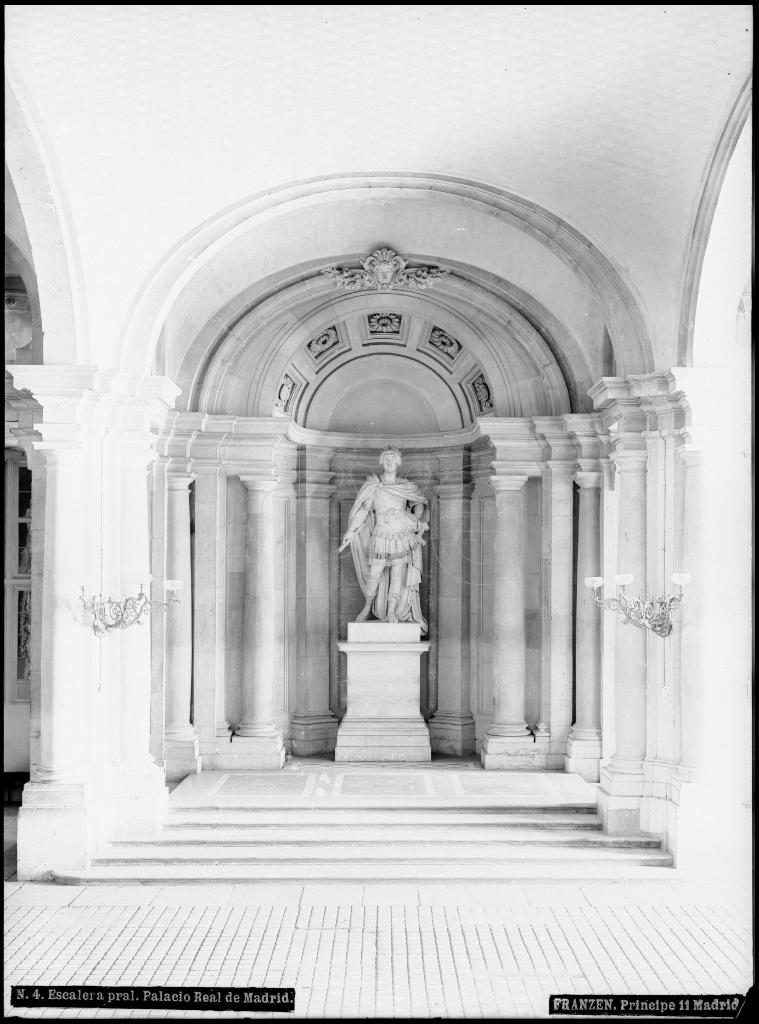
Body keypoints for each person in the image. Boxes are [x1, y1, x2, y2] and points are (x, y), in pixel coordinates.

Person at [339, 447, 429, 631]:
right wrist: (351, 530)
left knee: (397, 574)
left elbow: (419, 504)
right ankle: (367, 606)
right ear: (381, 462)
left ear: (398, 463)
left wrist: (412, 521)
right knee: (374, 575)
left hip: (401, 537)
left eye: (392, 459)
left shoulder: (406, 487)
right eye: (386, 459)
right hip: (380, 535)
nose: (389, 462)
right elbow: (364, 511)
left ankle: (391, 611)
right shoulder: (374, 486)